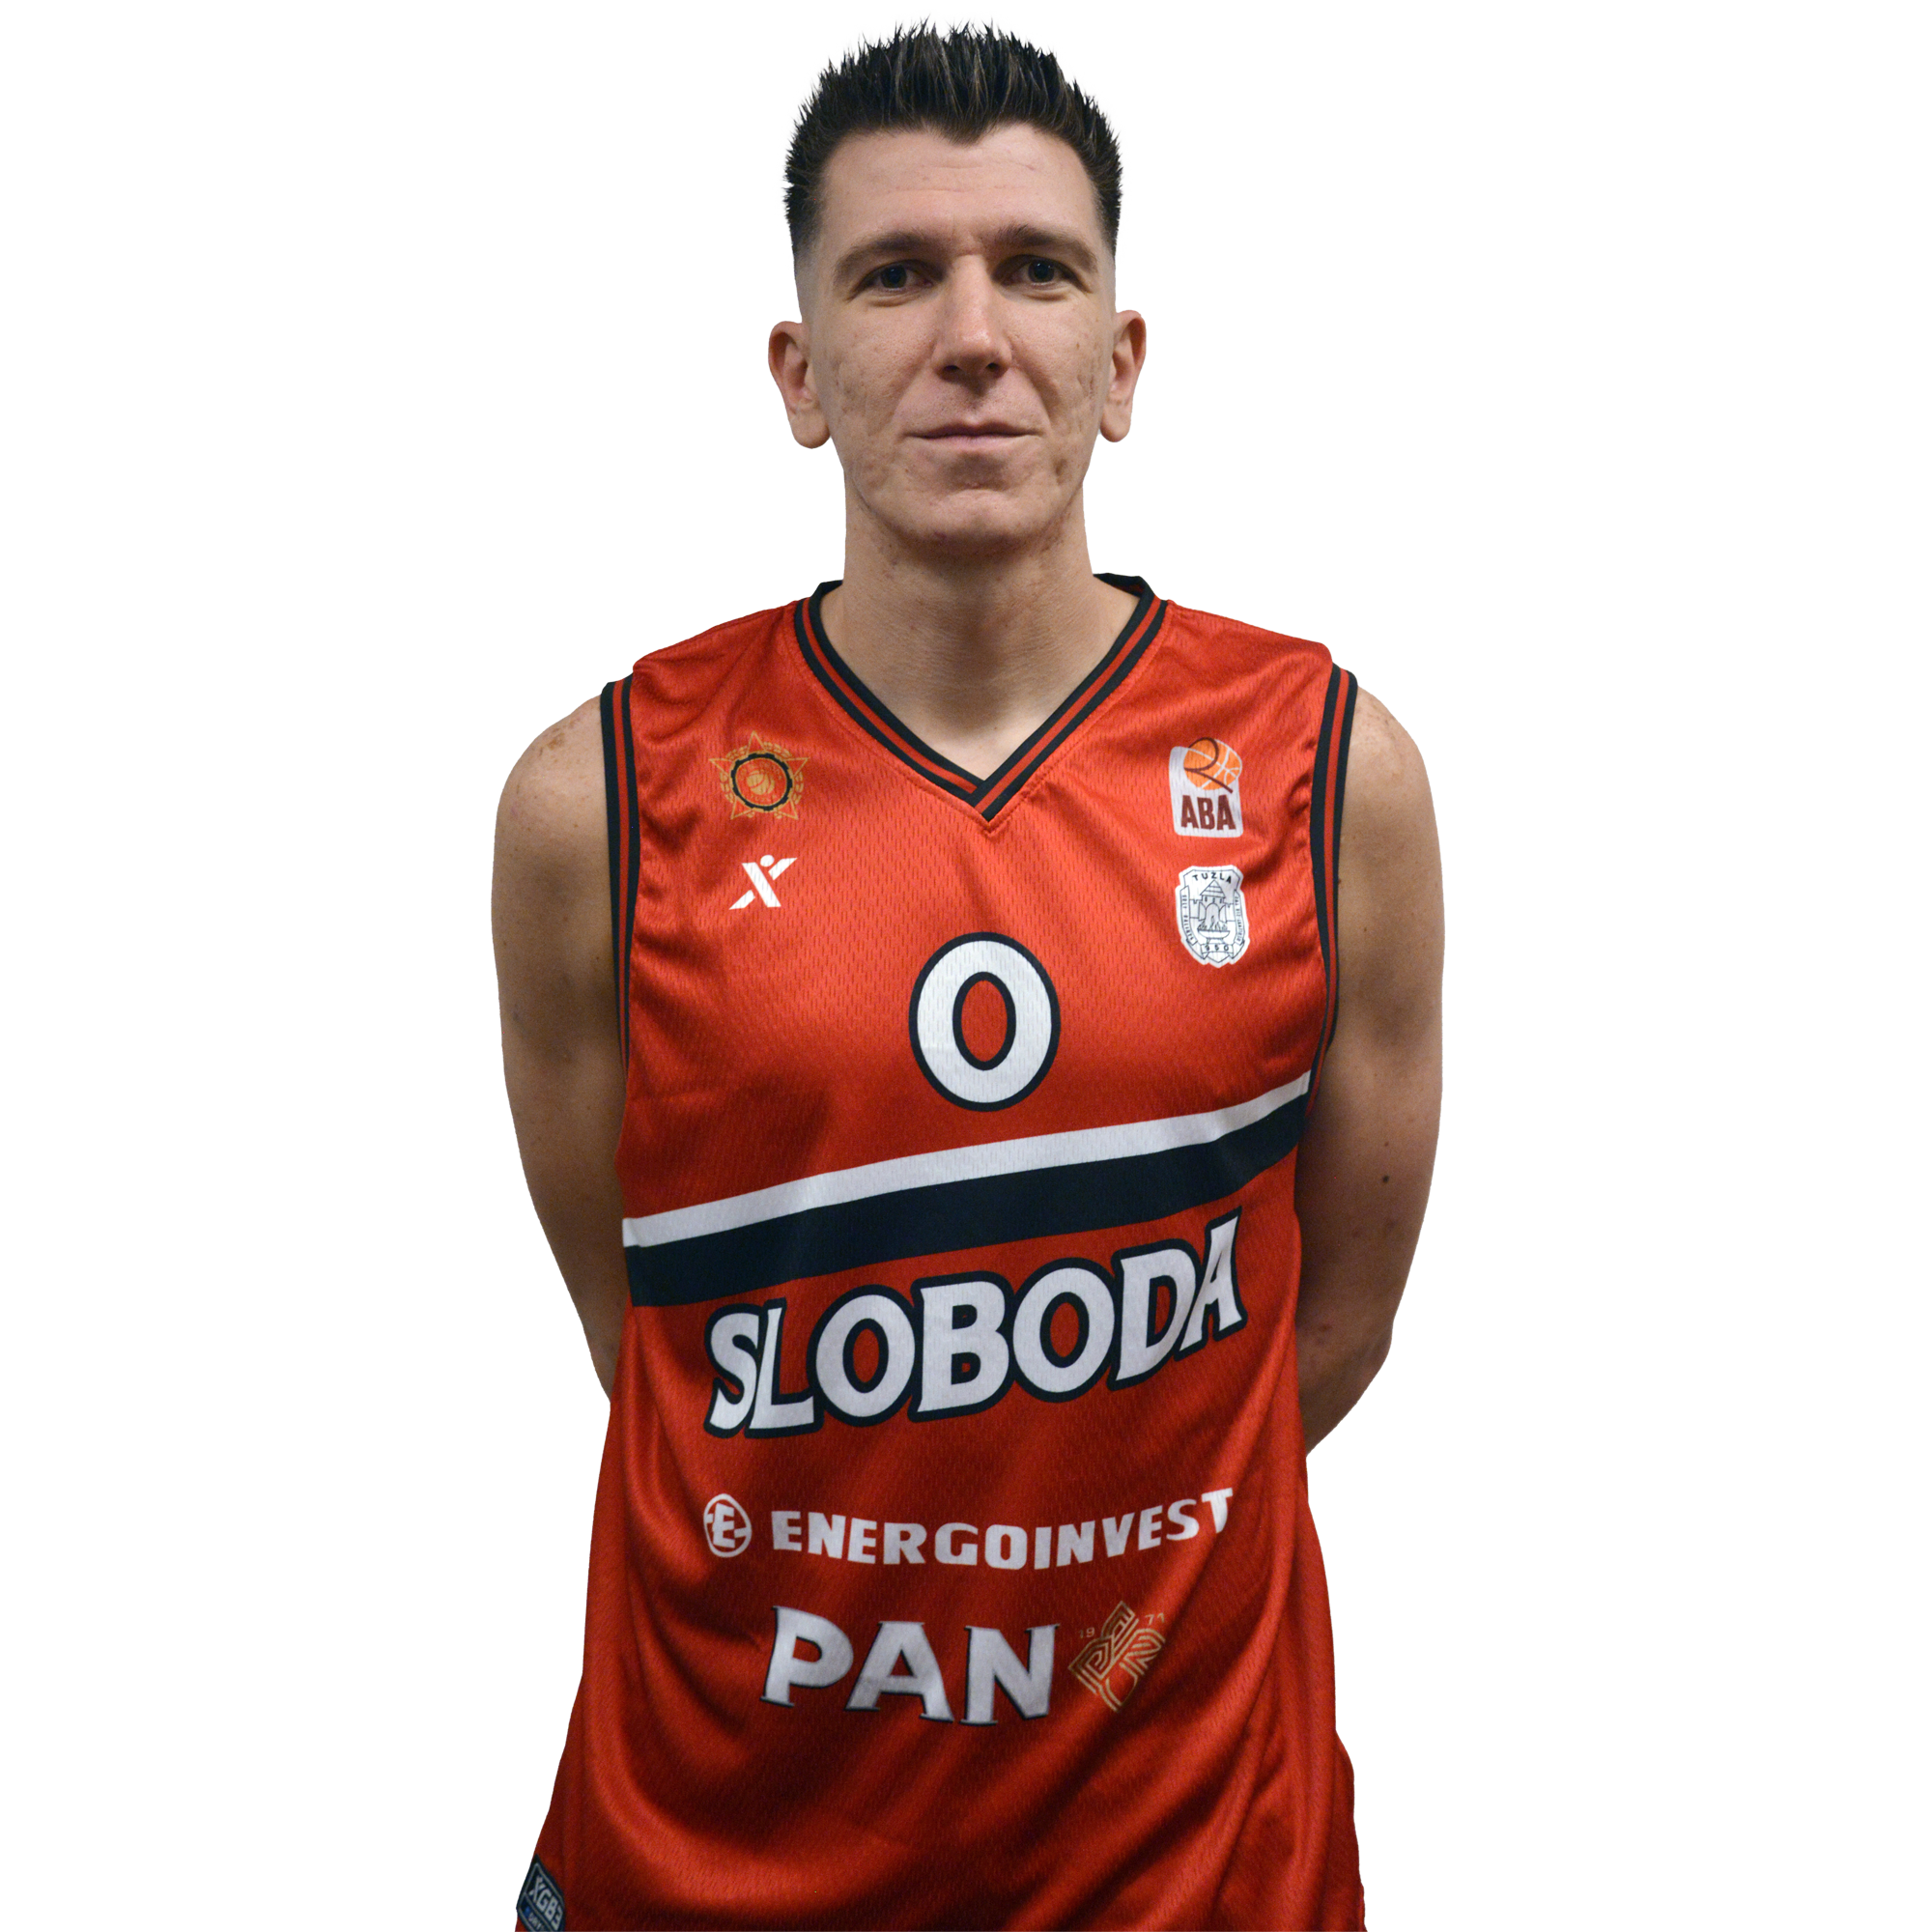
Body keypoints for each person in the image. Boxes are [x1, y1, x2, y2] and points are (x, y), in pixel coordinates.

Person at [494, 21, 1441, 1932]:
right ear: (801, 373)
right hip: (711, 1850)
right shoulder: (597, 806)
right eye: (895, 274)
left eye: (1036, 268)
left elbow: (1319, 1337)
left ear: (1121, 360)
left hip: (1191, 1868)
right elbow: (646, 1335)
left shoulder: (1327, 775)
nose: (974, 336)